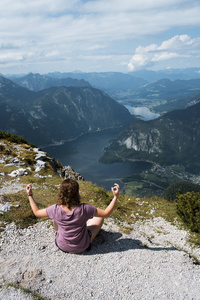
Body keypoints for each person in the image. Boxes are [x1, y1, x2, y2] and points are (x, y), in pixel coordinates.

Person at [26, 179, 120, 254]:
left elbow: (37, 212)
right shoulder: (84, 208)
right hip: (83, 246)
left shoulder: (55, 209)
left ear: (61, 192)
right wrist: (115, 197)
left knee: (55, 218)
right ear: (77, 193)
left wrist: (30, 195)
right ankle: (85, 236)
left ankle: (57, 233)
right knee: (100, 217)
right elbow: (106, 213)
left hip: (62, 246)